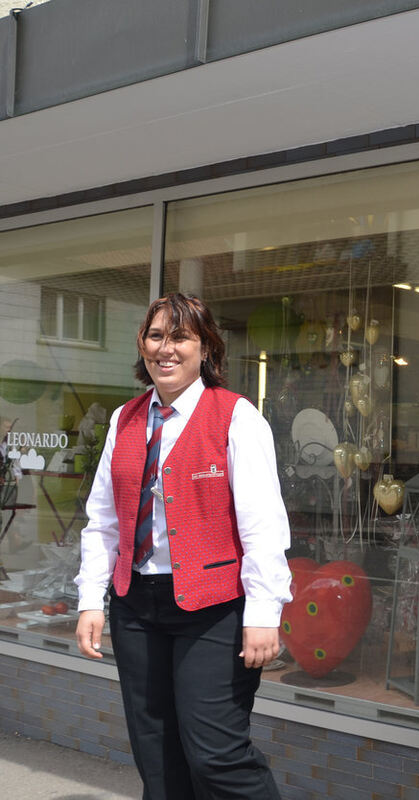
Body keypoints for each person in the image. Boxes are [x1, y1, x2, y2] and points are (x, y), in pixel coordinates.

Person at [74, 293, 292, 800]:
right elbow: (103, 520)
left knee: (217, 755)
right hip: (136, 605)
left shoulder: (236, 417)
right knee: (156, 757)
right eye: (155, 336)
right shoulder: (125, 419)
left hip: (213, 608)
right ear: (142, 345)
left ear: (205, 348)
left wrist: (264, 611)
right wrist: (90, 599)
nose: (165, 348)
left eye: (180, 337)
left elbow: (263, 524)